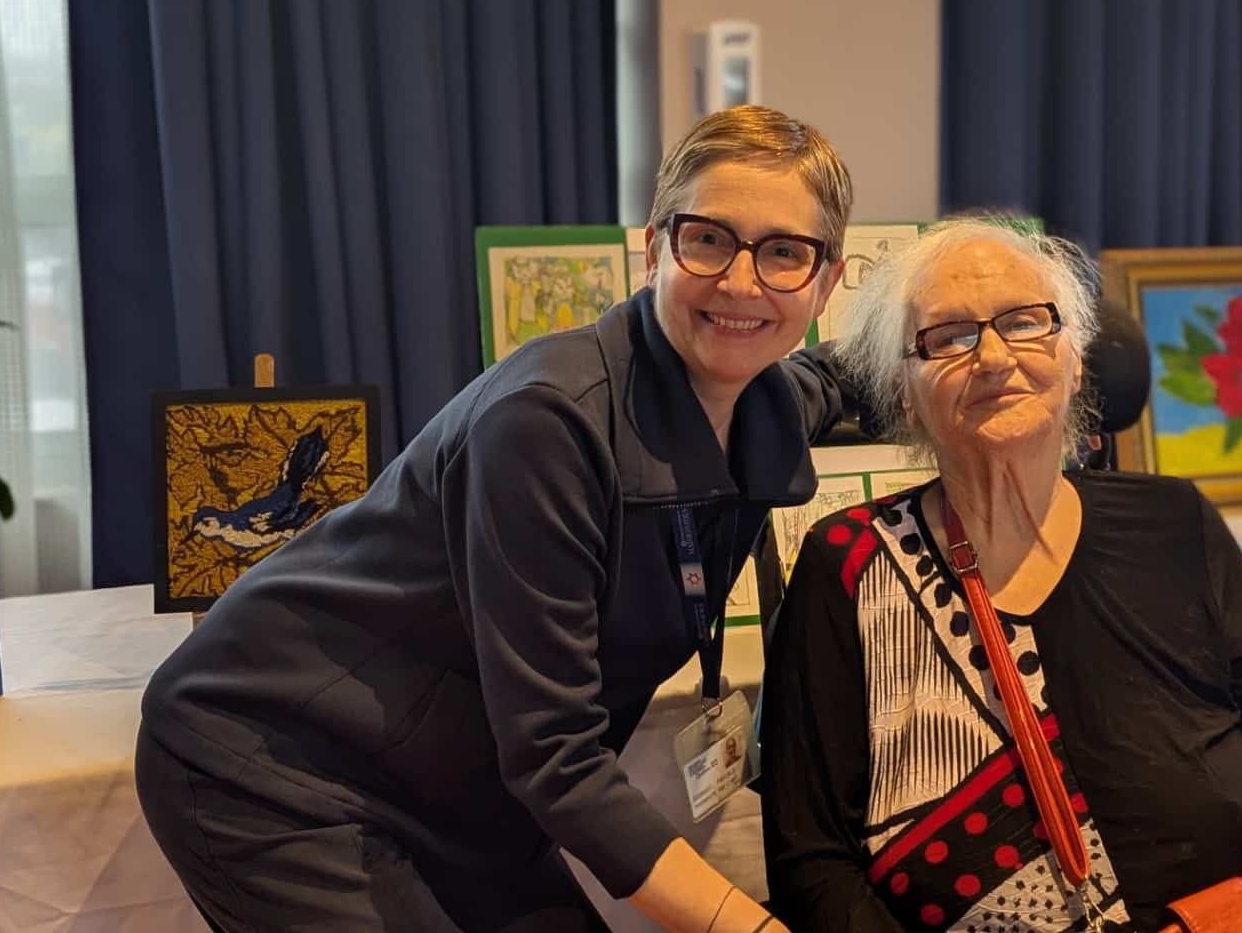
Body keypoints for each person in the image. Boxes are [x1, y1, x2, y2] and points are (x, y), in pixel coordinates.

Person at [136, 105, 854, 933]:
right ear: (654, 249)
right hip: (279, 763)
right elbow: (558, 759)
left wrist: (958, 355)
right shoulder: (547, 420)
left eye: (784, 253)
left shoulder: (766, 400)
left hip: (468, 789)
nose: (740, 282)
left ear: (827, 280)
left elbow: (850, 372)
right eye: (708, 239)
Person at [760, 219, 1242, 932]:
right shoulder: (849, 565)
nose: (994, 357)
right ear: (902, 391)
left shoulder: (1175, 523)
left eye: (1024, 323)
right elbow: (813, 865)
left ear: (1073, 360)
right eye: (948, 337)